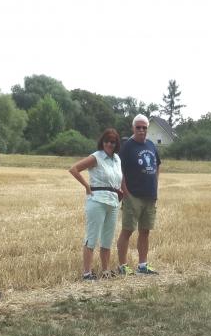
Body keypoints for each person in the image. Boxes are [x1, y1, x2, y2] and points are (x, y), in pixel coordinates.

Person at [68, 129, 123, 280]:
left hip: (113, 202)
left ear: (116, 144)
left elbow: (118, 179)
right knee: (92, 237)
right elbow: (74, 169)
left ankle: (105, 271)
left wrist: (120, 191)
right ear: (102, 142)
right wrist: (87, 186)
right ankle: (87, 273)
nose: (109, 144)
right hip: (97, 200)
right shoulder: (96, 157)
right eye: (107, 141)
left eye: (113, 142)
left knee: (107, 239)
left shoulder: (117, 159)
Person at [116, 114, 161, 275]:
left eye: (144, 127)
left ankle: (142, 265)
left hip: (150, 196)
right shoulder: (127, 147)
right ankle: (122, 266)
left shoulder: (151, 145)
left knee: (145, 231)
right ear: (133, 128)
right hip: (133, 195)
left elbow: (157, 165)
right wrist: (125, 191)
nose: (141, 130)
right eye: (138, 127)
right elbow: (119, 170)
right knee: (127, 230)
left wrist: (155, 185)